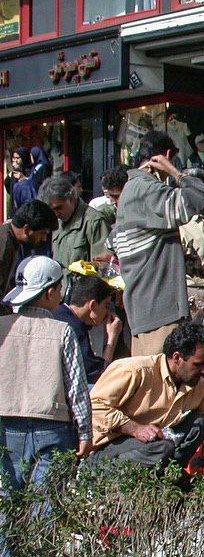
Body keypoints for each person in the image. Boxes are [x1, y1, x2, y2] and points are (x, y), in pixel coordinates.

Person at [87, 323, 204, 489]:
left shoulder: (198, 387)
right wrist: (134, 428)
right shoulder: (135, 371)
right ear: (177, 357)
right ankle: (108, 477)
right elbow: (93, 406)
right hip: (108, 452)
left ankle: (166, 480)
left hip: (153, 448)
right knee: (163, 447)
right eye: (198, 365)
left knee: (200, 424)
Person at [110, 130, 204, 356]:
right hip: (158, 308)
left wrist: (179, 259)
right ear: (166, 156)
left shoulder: (132, 189)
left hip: (145, 305)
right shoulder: (147, 189)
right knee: (161, 384)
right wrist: (177, 172)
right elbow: (199, 198)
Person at [0, 256, 92, 492]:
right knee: (47, 504)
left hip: (7, 424)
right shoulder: (63, 331)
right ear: (50, 292)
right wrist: (85, 432)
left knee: (7, 503)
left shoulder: (3, 326)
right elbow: (76, 387)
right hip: (53, 426)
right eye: (60, 289)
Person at [52, 274, 122, 385]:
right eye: (106, 305)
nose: (107, 312)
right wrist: (112, 338)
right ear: (93, 305)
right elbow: (100, 375)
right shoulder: (74, 328)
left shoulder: (58, 313)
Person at [38, 174, 111, 268]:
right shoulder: (58, 222)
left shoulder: (93, 222)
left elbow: (103, 265)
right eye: (51, 210)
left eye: (58, 208)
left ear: (72, 198)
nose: (56, 214)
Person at [0, 200, 57, 292]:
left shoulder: (9, 237)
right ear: (26, 229)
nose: (44, 239)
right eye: (42, 233)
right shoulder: (4, 247)